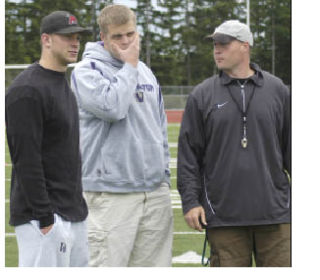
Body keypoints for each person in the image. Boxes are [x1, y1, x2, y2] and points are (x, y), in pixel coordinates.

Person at [177, 19, 291, 267]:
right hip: (223, 215)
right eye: (215, 44)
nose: (217, 49)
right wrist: (190, 202)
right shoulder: (202, 95)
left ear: (245, 46)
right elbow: (189, 157)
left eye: (224, 44)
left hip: (275, 215)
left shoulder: (277, 90)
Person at [70, 4, 173, 267]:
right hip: (110, 194)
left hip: (153, 192)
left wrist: (163, 178)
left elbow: (159, 126)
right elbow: (112, 108)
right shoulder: (86, 71)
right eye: (118, 36)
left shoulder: (146, 70)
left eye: (130, 34)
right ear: (102, 37)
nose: (126, 41)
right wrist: (129, 67)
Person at [5, 11, 91, 267]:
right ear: (46, 40)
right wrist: (45, 219)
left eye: (77, 37)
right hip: (44, 219)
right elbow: (26, 159)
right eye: (67, 37)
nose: (75, 43)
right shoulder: (27, 90)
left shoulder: (62, 83)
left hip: (72, 212)